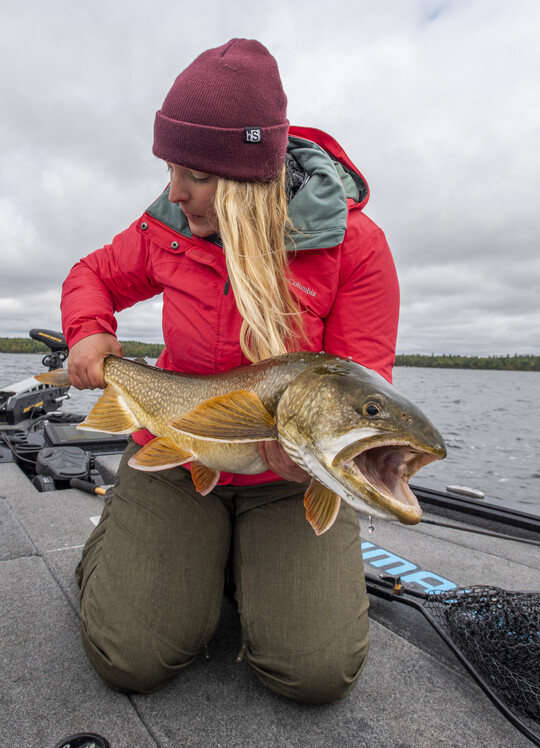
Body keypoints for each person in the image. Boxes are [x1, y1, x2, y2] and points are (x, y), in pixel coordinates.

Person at [60, 38, 400, 704]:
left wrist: (315, 457)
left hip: (288, 477)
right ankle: (132, 544)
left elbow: (356, 388)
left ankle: (227, 560)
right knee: (132, 656)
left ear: (249, 181)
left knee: (314, 673)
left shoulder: (356, 248)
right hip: (177, 452)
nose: (174, 191)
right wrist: (91, 330)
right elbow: (92, 273)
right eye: (169, 168)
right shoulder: (170, 225)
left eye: (197, 175)